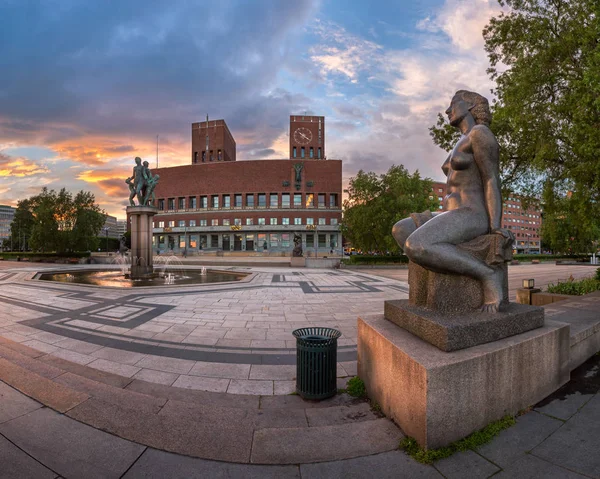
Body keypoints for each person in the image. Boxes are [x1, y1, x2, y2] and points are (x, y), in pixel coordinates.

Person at [392, 90, 513, 312]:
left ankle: (487, 275)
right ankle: (441, 280)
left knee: (417, 244)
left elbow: (491, 179)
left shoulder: (480, 134)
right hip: (450, 213)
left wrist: (495, 226)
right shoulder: (461, 140)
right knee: (401, 230)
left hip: (471, 213)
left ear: (469, 106)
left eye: (452, 104)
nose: (447, 110)